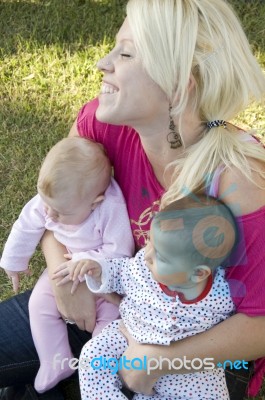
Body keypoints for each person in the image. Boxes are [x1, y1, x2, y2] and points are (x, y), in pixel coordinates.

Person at [0, 0, 265, 399]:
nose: (102, 64)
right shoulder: (101, 125)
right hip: (105, 295)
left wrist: (158, 360)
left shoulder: (240, 181)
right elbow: (55, 207)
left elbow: (259, 323)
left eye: (125, 53)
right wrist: (62, 278)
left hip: (192, 346)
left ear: (176, 85)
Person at [54, 194, 239, 399]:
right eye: (150, 241)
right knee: (93, 356)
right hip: (131, 335)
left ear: (198, 273)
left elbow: (237, 326)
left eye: (160, 255)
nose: (147, 254)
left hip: (188, 370)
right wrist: (100, 270)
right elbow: (123, 272)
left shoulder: (222, 293)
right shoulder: (144, 266)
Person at [0, 137, 134, 394]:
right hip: (64, 268)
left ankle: (98, 370)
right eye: (46, 206)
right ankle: (54, 359)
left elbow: (119, 252)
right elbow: (27, 224)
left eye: (59, 214)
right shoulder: (55, 200)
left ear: (95, 203)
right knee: (39, 304)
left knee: (109, 325)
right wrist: (14, 261)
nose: (49, 216)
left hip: (104, 282)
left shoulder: (110, 208)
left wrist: (92, 264)